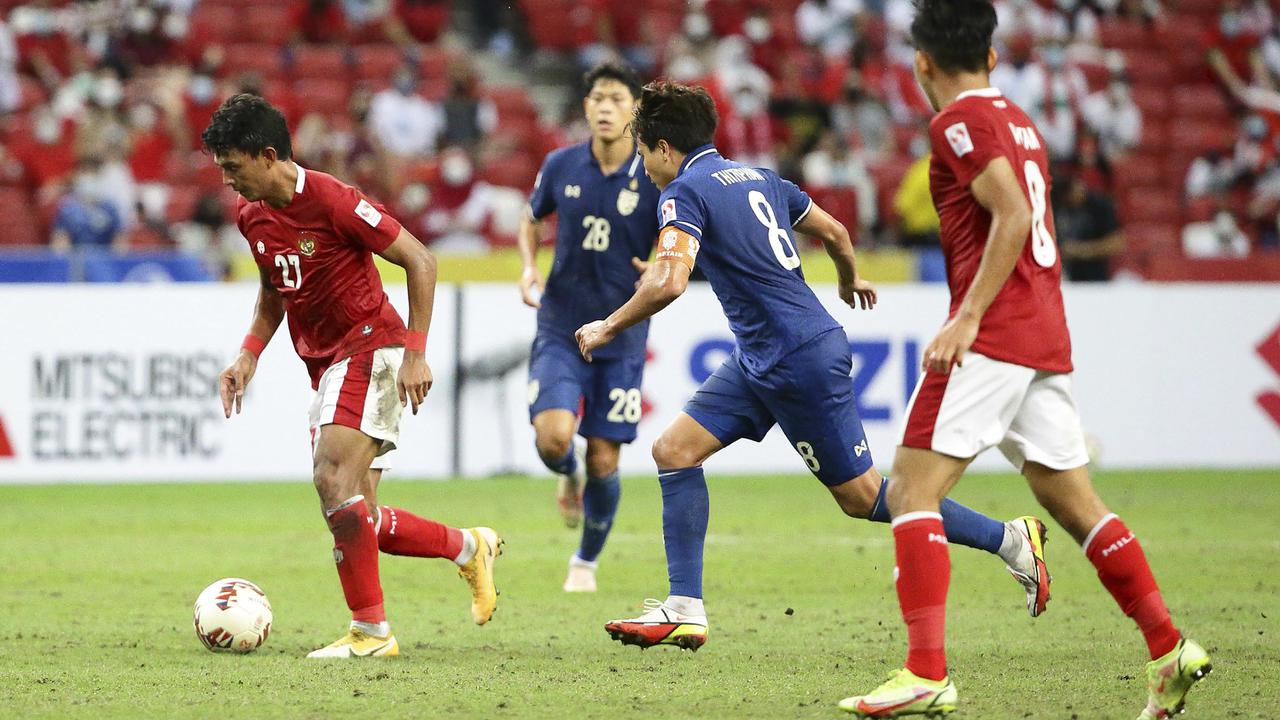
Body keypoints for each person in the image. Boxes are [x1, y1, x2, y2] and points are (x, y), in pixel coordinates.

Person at [575, 80, 1052, 653]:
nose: (643, 165)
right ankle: (685, 607)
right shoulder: (760, 178)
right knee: (673, 451)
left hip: (797, 357)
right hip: (763, 357)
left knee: (866, 496)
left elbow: (670, 280)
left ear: (663, 148)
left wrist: (607, 325)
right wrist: (850, 279)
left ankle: (1010, 540)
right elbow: (836, 231)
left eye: (644, 152)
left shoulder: (682, 190)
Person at [840, 3, 1210, 717]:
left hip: (996, 334)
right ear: (992, 56)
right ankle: (1168, 648)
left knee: (912, 492)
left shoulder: (955, 123)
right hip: (1044, 332)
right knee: (1073, 502)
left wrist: (969, 316)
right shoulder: (1019, 120)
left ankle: (925, 671)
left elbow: (1010, 214)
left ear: (922, 62)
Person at [204, 94, 502, 659]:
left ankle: (371, 632)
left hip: (372, 346)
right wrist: (249, 353)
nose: (227, 181)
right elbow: (275, 289)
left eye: (233, 167)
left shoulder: (335, 201)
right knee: (358, 510)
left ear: (268, 156)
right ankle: (468, 547)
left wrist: (416, 352)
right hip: (327, 365)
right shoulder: (251, 216)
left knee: (330, 480)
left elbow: (421, 259)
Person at [518, 62, 659, 593]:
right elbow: (531, 218)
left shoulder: (654, 176)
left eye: (617, 99)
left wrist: (664, 265)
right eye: (597, 97)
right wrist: (529, 266)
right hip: (560, 324)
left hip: (621, 333)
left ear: (635, 112)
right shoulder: (561, 165)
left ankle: (585, 562)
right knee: (554, 438)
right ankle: (566, 474)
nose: (605, 107)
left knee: (604, 455)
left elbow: (683, 238)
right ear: (585, 107)